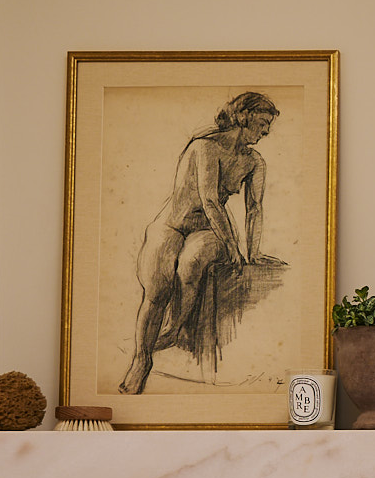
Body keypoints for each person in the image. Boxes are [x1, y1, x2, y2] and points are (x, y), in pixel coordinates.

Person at [119, 90, 285, 394]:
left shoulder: (255, 162)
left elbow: (255, 209)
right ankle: (142, 360)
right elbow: (209, 199)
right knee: (157, 287)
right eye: (262, 124)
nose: (266, 132)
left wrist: (253, 251)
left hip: (209, 230)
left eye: (268, 126)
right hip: (172, 223)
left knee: (191, 265)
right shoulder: (205, 147)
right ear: (245, 117)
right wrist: (233, 246)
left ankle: (173, 329)